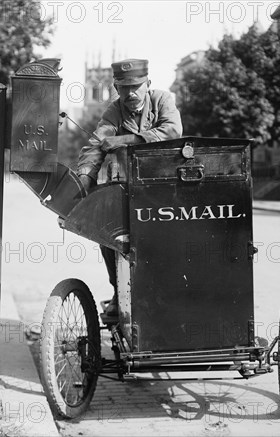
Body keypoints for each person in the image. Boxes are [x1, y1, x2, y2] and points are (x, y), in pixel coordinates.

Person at [76, 59, 183, 315]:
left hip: (166, 189)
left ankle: (174, 292)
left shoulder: (162, 100)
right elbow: (96, 145)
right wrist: (83, 179)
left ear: (148, 83)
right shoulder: (114, 111)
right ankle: (119, 292)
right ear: (116, 87)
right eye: (124, 88)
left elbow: (172, 131)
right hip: (131, 188)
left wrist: (128, 140)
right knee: (108, 235)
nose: (130, 93)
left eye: (136, 86)